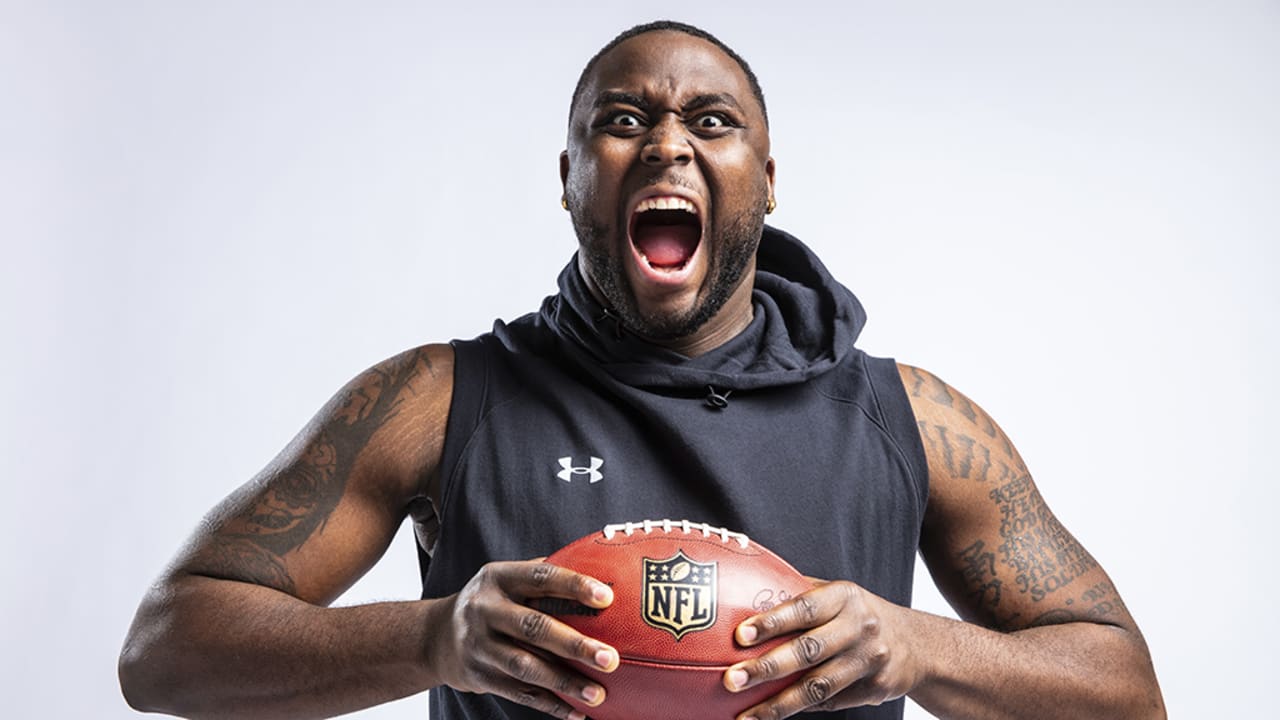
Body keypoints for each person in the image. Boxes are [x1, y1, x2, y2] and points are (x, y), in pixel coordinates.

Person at [119, 20, 1165, 720]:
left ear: (764, 178)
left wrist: (913, 645)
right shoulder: (440, 400)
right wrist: (434, 636)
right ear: (569, 177)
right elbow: (165, 650)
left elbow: (1124, 690)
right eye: (620, 121)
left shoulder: (910, 419)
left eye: (711, 121)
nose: (665, 143)